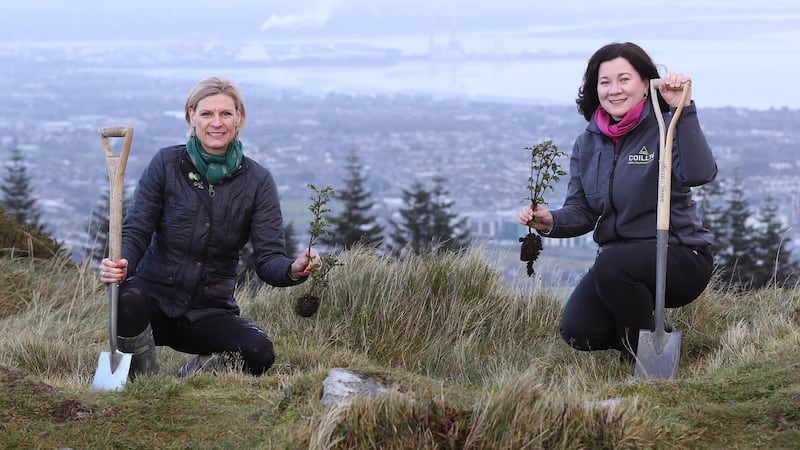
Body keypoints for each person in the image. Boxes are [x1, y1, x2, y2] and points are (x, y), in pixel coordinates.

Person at [99, 76, 319, 378]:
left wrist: (293, 268)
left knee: (259, 353)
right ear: (191, 116)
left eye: (226, 114)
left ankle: (193, 376)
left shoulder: (258, 182)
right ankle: (146, 385)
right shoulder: (166, 164)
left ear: (239, 117)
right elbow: (137, 228)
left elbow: (268, 259)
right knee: (127, 300)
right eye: (207, 114)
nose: (217, 123)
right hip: (152, 303)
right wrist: (120, 264)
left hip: (210, 311)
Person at [517, 42, 716, 363]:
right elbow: (582, 211)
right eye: (604, 81)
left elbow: (699, 173)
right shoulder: (588, 143)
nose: (614, 90)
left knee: (613, 263)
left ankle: (644, 360)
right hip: (619, 265)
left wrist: (684, 109)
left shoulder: (666, 127)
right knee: (578, 330)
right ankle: (649, 330)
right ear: (595, 89)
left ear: (645, 83)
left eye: (624, 79)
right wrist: (549, 221)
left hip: (680, 255)